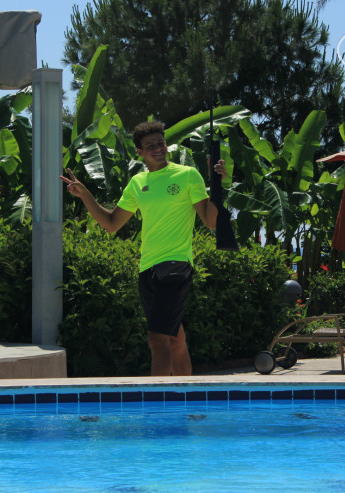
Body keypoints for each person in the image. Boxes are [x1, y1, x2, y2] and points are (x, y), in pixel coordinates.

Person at [60, 120, 226, 377]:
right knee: (175, 339)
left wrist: (217, 184)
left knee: (157, 340)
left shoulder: (187, 175)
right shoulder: (137, 183)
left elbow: (211, 221)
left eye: (161, 143)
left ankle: (156, 401)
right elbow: (112, 223)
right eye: (151, 146)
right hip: (147, 268)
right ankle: (187, 395)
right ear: (139, 152)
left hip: (175, 265)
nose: (158, 149)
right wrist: (85, 195)